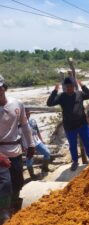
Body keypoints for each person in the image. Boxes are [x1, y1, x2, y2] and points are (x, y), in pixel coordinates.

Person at [0, 74, 35, 220]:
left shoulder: (17, 104)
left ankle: (13, 206)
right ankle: (4, 212)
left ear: (4, 88)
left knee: (18, 182)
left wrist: (31, 144)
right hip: (0, 153)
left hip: (15, 151)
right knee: (5, 184)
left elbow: (25, 126)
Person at [47, 77, 89, 171]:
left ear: (74, 86)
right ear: (64, 87)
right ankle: (75, 161)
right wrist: (55, 91)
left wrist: (82, 85)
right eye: (67, 86)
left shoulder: (79, 94)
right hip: (69, 126)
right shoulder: (61, 96)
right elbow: (49, 103)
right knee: (72, 145)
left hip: (82, 124)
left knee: (87, 142)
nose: (69, 88)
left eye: (71, 86)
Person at [22, 109, 51, 179]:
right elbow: (18, 136)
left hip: (37, 142)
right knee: (29, 161)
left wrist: (41, 140)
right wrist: (22, 146)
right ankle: (32, 175)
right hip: (28, 145)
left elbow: (37, 131)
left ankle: (44, 168)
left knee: (47, 153)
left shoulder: (32, 121)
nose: (27, 115)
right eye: (25, 113)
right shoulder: (19, 124)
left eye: (28, 113)